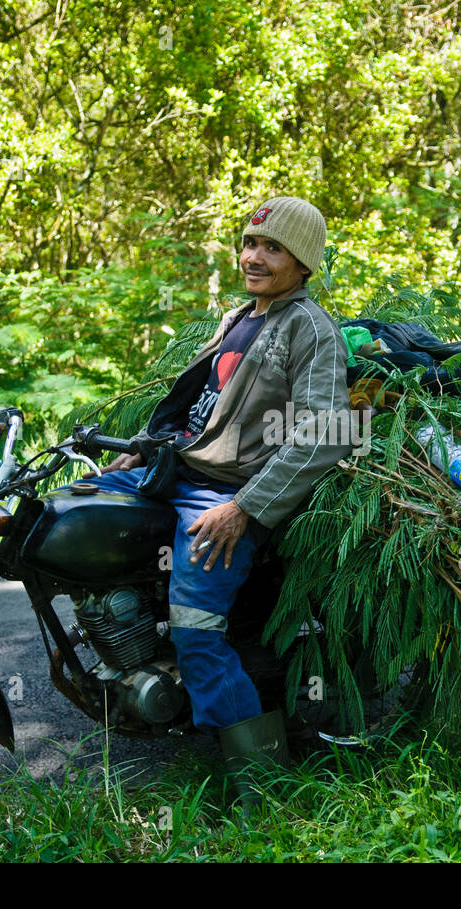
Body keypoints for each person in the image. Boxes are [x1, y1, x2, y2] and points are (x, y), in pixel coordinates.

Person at [93, 196, 353, 789]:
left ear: (303, 262)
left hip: (230, 493)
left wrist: (246, 508)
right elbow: (200, 409)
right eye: (249, 243)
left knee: (195, 629)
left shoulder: (310, 330)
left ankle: (262, 782)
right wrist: (145, 447)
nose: (253, 256)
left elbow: (324, 435)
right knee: (75, 511)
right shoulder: (242, 316)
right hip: (185, 471)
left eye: (272, 248)